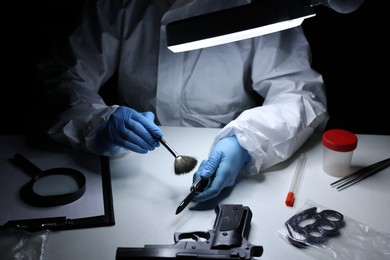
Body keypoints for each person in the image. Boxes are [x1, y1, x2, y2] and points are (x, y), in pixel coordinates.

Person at [35, 0, 328, 203]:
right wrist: (98, 122)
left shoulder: (259, 8)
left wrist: (246, 141)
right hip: (129, 169)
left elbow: (301, 96)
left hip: (223, 155)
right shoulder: (119, 5)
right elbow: (63, 77)